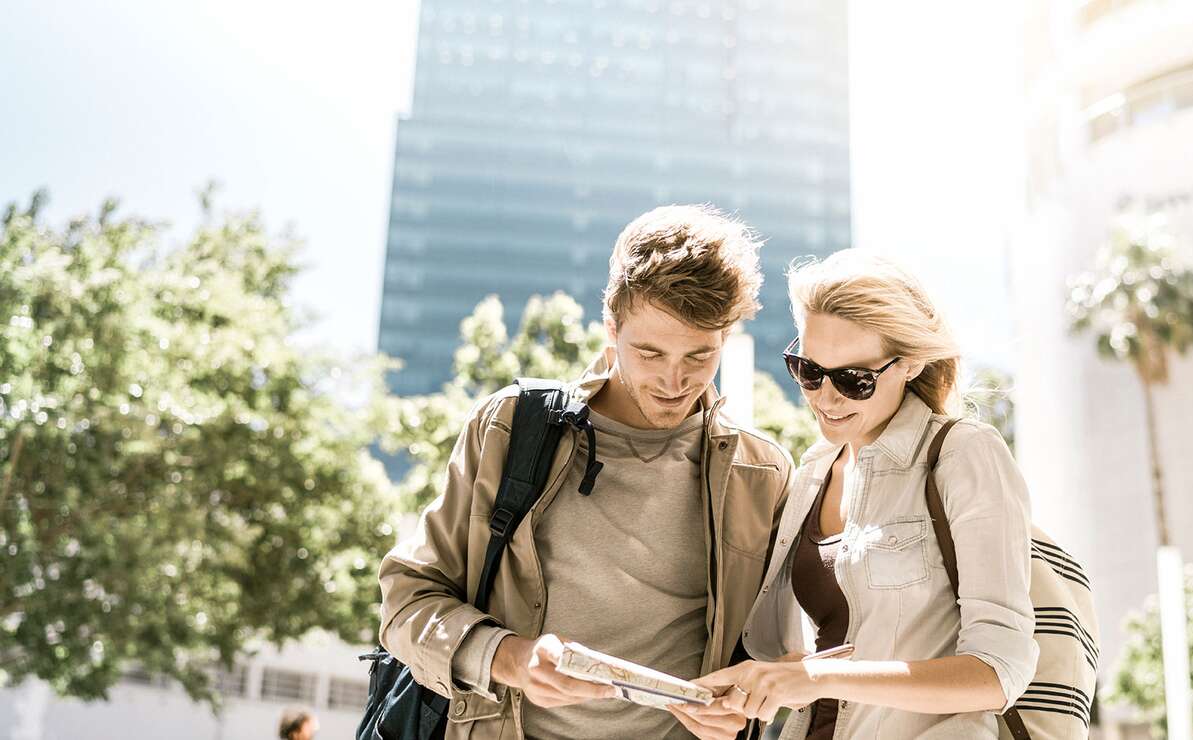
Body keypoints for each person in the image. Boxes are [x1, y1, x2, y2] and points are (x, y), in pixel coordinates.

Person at [377, 205, 794, 740]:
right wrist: (509, 657)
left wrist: (745, 699)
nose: (675, 379)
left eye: (700, 355)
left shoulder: (761, 473)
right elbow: (406, 600)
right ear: (611, 326)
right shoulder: (512, 426)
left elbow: (776, 654)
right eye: (649, 351)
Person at [695, 250, 1040, 739]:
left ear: (911, 362)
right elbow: (828, 652)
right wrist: (746, 689)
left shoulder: (963, 454)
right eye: (809, 371)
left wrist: (820, 677)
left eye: (853, 380)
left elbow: (998, 672)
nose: (824, 399)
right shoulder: (813, 471)